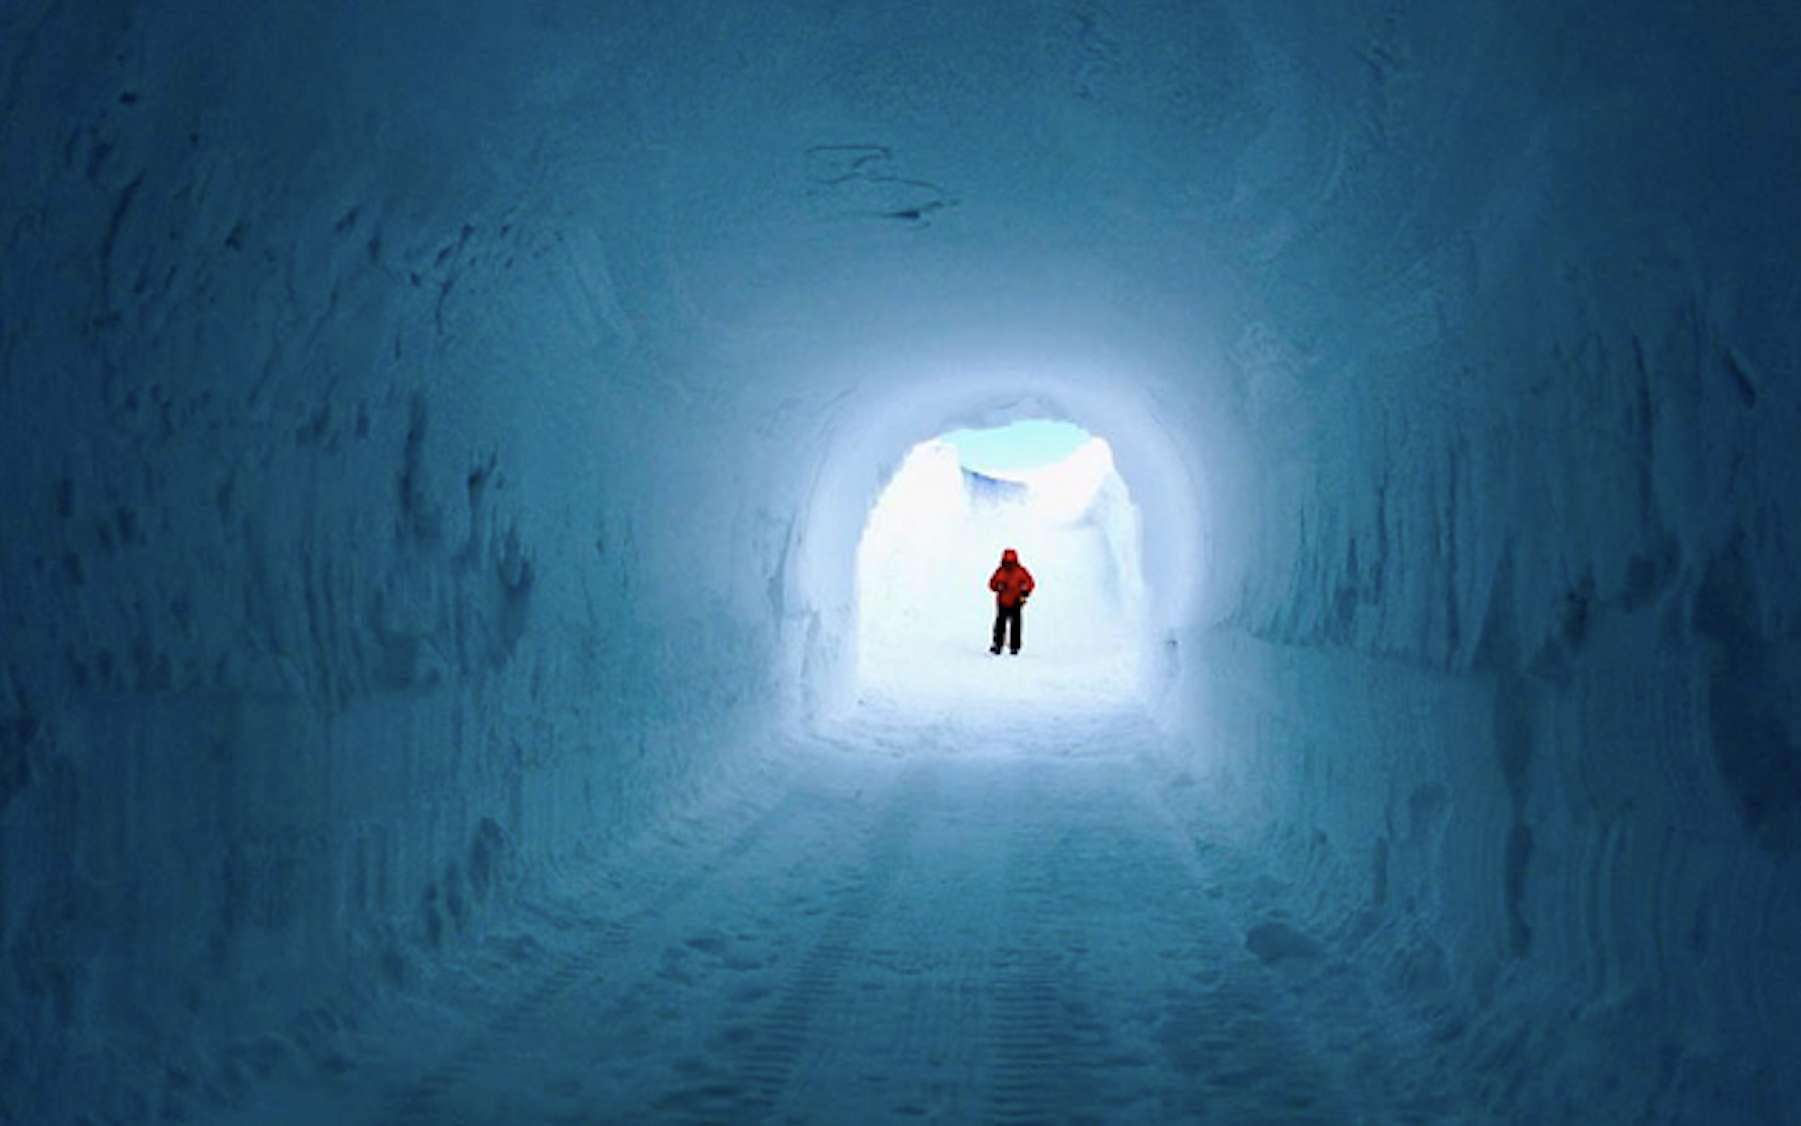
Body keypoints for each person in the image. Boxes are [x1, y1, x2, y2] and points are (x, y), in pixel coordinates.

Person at [987, 548, 1035, 655]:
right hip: (1002, 602)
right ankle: (997, 645)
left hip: (1016, 602)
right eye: (1007, 563)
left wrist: (1025, 591)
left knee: (1016, 625)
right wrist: (997, 586)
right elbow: (991, 584)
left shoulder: (1021, 571)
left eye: (1011, 563)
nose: (1009, 566)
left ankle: (1014, 647)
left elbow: (1030, 583)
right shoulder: (1000, 571)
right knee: (1000, 625)